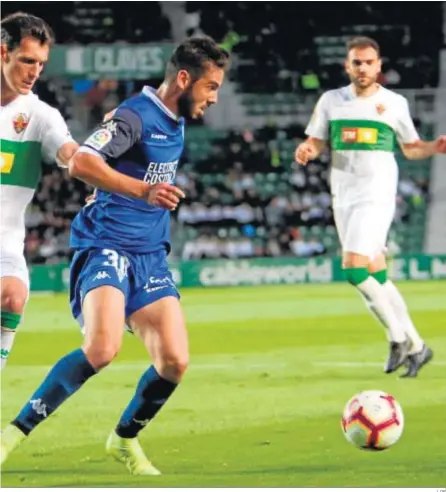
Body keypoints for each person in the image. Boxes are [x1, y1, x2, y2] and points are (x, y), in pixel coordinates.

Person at [1, 36, 230, 475]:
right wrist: (143, 190)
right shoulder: (134, 116)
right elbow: (84, 162)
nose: (215, 97)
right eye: (211, 86)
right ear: (184, 79)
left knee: (175, 363)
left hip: (149, 254)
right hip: (105, 243)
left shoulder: (176, 118)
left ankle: (124, 439)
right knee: (102, 348)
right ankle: (12, 434)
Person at [295, 36, 446, 377]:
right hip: (342, 194)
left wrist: (434, 147)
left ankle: (398, 338)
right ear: (348, 66)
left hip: (376, 193)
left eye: (368, 62)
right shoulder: (332, 101)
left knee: (353, 270)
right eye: (356, 62)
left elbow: (410, 149)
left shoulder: (393, 103)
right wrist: (306, 149)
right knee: (377, 275)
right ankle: (419, 346)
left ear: (379, 66)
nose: (362, 68)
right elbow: (316, 141)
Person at [0, 12, 79, 370]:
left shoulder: (40, 115)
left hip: (5, 242)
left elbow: (71, 154)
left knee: (13, 297)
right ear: (3, 53)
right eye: (27, 61)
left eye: (41, 64)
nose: (35, 72)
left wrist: (98, 164)